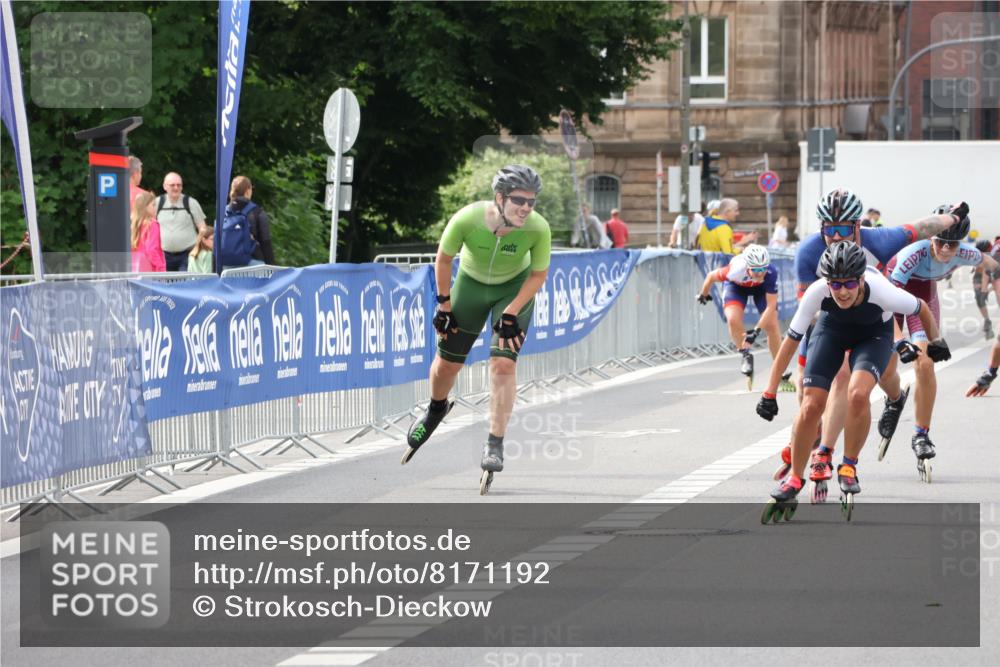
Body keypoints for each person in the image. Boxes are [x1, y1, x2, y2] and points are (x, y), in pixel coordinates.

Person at [771, 189, 967, 490]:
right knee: (818, 384)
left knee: (875, 377)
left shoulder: (880, 241)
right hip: (830, 318)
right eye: (829, 229)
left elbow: (923, 226)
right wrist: (792, 379)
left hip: (877, 315)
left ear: (858, 226)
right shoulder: (809, 252)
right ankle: (820, 447)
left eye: (843, 229)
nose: (836, 237)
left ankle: (889, 404)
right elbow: (808, 316)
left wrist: (953, 217)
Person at [756, 242, 949, 521]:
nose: (842, 291)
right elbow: (790, 343)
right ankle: (795, 479)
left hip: (874, 335)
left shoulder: (882, 290)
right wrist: (769, 392)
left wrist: (937, 341)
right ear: (827, 283)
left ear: (860, 279)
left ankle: (848, 466)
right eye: (835, 284)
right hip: (831, 331)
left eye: (849, 283)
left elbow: (921, 309)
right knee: (811, 405)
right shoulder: (817, 292)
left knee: (858, 394)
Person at [401, 165, 551, 495]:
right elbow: (444, 259)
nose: (526, 208)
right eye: (518, 200)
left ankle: (495, 442)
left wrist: (512, 310)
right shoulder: (468, 218)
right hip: (471, 285)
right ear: (499, 198)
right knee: (447, 364)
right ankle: (436, 408)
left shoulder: (538, 228)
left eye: (531, 202)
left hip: (513, 289)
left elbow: (538, 275)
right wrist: (444, 305)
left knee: (503, 363)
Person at [886, 210, 997, 475]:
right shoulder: (914, 253)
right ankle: (894, 398)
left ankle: (921, 434)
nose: (946, 249)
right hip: (892, 296)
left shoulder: (966, 253)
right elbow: (888, 303)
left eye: (953, 244)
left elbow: (993, 264)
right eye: (940, 242)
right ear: (930, 238)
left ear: (961, 242)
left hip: (923, 299)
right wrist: (899, 341)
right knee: (887, 365)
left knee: (925, 365)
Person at [696, 244, 782, 387]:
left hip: (760, 290)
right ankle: (745, 353)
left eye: (763, 269)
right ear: (747, 267)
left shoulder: (771, 272)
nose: (760, 273)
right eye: (756, 270)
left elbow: (770, 306)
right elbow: (711, 277)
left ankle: (779, 364)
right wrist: (703, 294)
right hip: (737, 287)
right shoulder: (735, 270)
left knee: (772, 324)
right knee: (732, 319)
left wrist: (756, 331)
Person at [157, 172, 208, 271]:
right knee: (164, 281)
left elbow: (203, 228)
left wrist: (196, 248)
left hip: (187, 255)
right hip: (163, 256)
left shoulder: (191, 203)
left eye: (179, 185)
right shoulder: (157, 203)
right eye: (172, 185)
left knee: (185, 280)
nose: (176, 188)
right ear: (164, 186)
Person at [222, 175, 275, 268]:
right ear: (248, 191)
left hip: (226, 265)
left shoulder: (224, 213)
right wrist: (272, 267)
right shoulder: (257, 212)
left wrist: (215, 269)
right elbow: (265, 242)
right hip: (253, 263)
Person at [130, 192, 165, 273]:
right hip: (151, 271)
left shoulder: (133, 225)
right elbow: (152, 250)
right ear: (145, 207)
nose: (156, 208)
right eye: (153, 205)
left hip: (135, 270)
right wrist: (161, 268)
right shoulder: (152, 224)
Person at [972, 239, 996, 339]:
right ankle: (987, 320)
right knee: (979, 296)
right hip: (983, 275)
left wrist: (988, 290)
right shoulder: (978, 259)